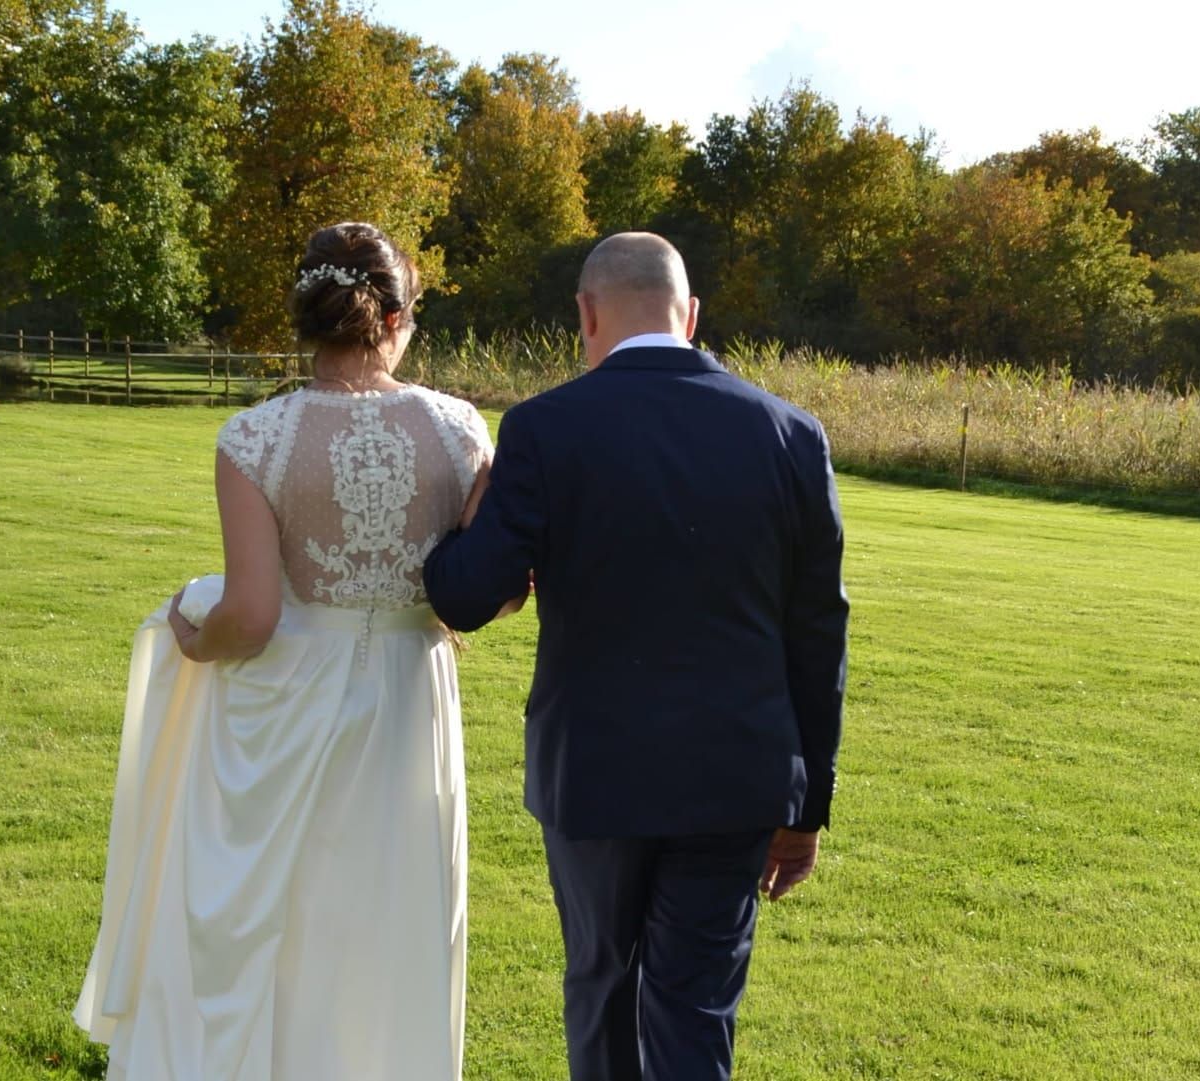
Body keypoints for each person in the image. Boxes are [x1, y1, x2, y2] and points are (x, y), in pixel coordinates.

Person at [423, 232, 849, 1081]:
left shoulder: (544, 427)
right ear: (691, 316)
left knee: (602, 987)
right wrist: (807, 807)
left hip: (594, 772)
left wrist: (466, 521)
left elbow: (467, 594)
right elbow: (818, 633)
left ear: (586, 313)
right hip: (737, 774)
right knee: (694, 1012)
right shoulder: (792, 434)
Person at [74, 222, 493, 1080]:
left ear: (307, 315)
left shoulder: (256, 438)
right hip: (412, 699)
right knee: (396, 914)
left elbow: (254, 615)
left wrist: (195, 641)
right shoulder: (459, 432)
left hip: (294, 710)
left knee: (280, 916)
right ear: (398, 316)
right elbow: (479, 587)